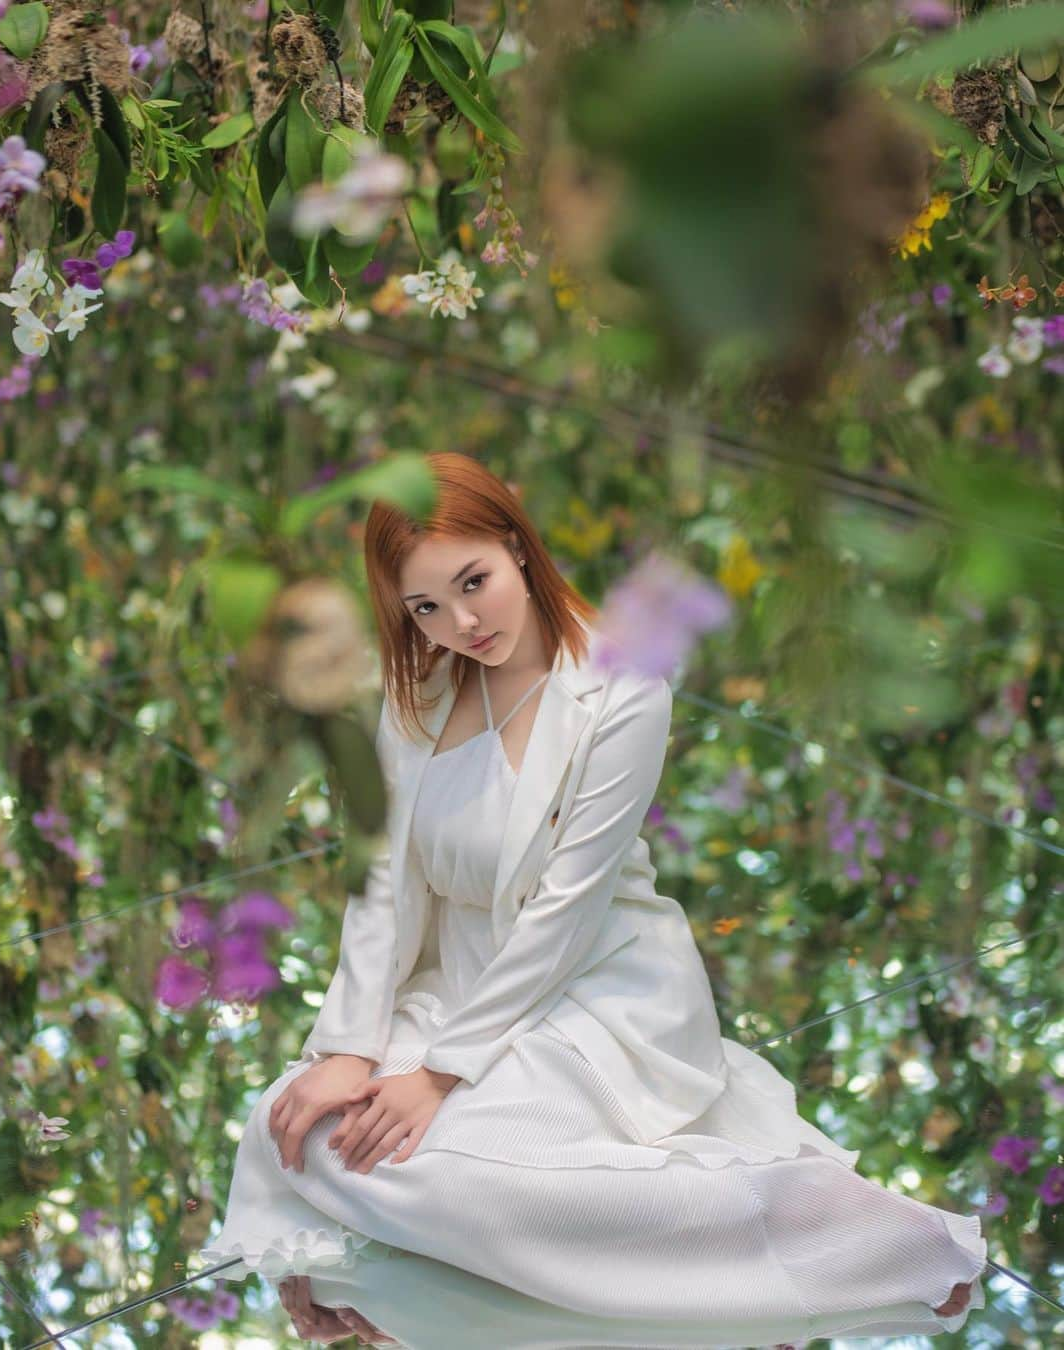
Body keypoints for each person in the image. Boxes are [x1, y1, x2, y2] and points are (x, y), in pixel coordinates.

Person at [200, 452, 987, 1347]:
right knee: (295, 1122)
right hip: (456, 979)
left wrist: (439, 1074)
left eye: (474, 583)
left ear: (516, 546)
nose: (460, 622)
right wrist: (349, 1048)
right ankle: (456, 1234)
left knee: (466, 1178)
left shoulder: (620, 689)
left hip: (592, 990)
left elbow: (564, 912)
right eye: (426, 607)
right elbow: (384, 879)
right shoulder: (413, 690)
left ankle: (820, 1229)